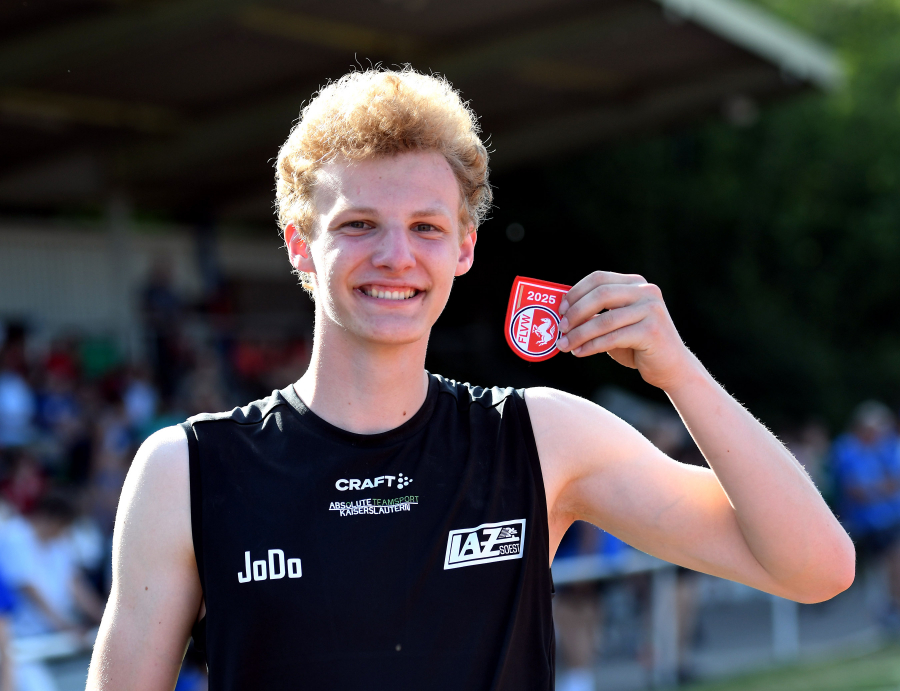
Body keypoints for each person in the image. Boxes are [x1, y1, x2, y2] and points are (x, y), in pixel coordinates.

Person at [86, 68, 854, 691]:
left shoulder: (541, 436)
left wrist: (679, 372)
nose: (395, 256)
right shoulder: (185, 470)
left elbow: (816, 566)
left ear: (464, 248)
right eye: (358, 225)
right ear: (299, 245)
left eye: (425, 227)